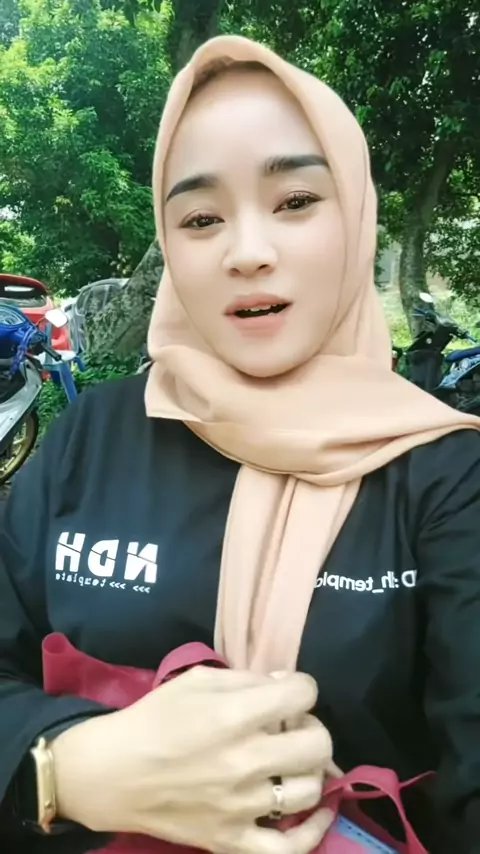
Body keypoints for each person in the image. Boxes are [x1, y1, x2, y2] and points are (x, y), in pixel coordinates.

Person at [1, 34, 480, 854]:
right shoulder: (92, 438)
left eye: (295, 201)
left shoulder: (443, 474)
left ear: (355, 215)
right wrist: (65, 767)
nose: (249, 252)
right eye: (201, 218)